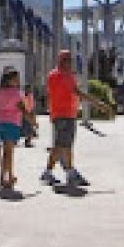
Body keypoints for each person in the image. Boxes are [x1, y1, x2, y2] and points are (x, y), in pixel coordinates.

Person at [40, 50, 112, 186]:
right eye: (67, 60)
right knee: (63, 145)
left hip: (67, 114)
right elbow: (76, 92)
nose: (69, 62)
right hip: (62, 115)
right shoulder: (58, 75)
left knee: (62, 145)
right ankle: (68, 172)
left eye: (70, 60)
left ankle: (55, 172)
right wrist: (97, 103)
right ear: (62, 60)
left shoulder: (64, 75)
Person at [0, 67, 32, 188]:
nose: (18, 81)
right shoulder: (17, 93)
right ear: (9, 80)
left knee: (5, 152)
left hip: (0, 123)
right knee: (9, 153)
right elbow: (23, 109)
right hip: (12, 123)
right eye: (16, 79)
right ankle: (9, 177)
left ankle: (3, 177)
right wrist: (32, 121)